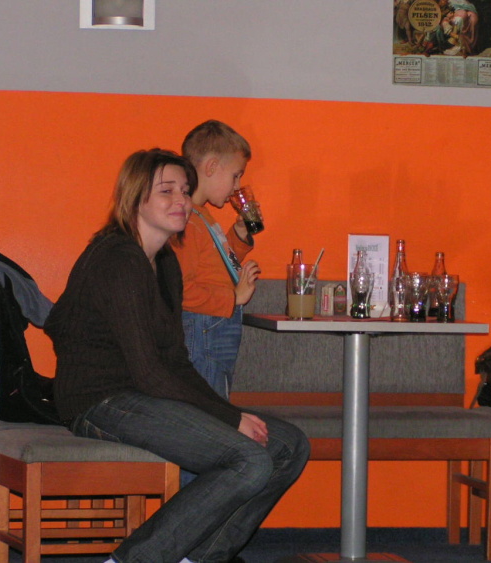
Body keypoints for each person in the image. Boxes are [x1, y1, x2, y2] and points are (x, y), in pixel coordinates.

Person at [44, 148, 309, 563]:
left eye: (185, 191)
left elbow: (176, 362)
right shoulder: (118, 259)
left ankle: (193, 559)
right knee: (247, 460)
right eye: (166, 191)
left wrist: (227, 412)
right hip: (99, 402)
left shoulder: (165, 262)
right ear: (135, 197)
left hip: (139, 397)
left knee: (288, 445)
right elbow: (150, 372)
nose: (181, 201)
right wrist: (229, 419)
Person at [173, 120, 258, 400]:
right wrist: (233, 298)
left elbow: (218, 264)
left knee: (217, 396)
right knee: (209, 402)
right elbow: (181, 290)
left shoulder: (202, 216)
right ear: (211, 167)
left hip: (215, 324)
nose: (237, 186)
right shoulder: (187, 221)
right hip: (203, 327)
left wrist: (239, 235)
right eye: (235, 176)